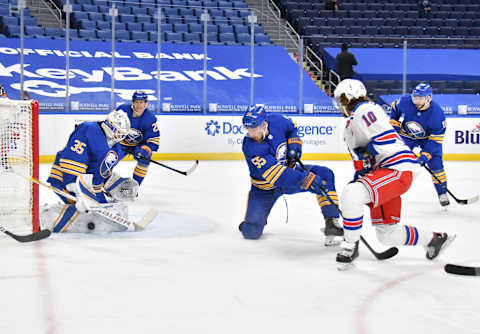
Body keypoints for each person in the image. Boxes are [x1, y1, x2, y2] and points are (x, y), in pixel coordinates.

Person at [333, 79, 455, 268]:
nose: (339, 106)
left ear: (346, 99)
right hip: (386, 173)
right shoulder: (358, 119)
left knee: (351, 194)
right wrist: (359, 177)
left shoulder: (364, 111)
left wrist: (370, 151)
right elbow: (363, 165)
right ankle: (434, 239)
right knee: (387, 235)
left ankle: (350, 245)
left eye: (340, 101)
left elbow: (379, 140)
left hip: (396, 168)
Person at [238, 105, 343, 246]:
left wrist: (294, 143)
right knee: (251, 233)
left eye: (255, 128)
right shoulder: (251, 146)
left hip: (290, 172)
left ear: (264, 123)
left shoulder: (277, 121)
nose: (252, 133)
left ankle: (331, 223)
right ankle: (251, 222)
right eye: (248, 129)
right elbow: (277, 176)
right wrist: (306, 179)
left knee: (325, 174)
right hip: (264, 190)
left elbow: (292, 127)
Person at [44, 109, 138, 232]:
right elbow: (73, 157)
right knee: (84, 210)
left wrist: (113, 185)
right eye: (118, 132)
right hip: (65, 180)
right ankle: (48, 219)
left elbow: (100, 172)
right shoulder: (88, 130)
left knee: (98, 210)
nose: (120, 137)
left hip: (88, 186)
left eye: (122, 134)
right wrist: (77, 191)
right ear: (109, 125)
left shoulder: (114, 144)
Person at [389, 83, 449, 207]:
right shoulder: (406, 101)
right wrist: (394, 123)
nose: (416, 101)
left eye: (420, 98)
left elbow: (435, 140)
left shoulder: (437, 114)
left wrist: (425, 155)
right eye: (415, 97)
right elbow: (394, 108)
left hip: (428, 140)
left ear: (428, 98)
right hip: (407, 137)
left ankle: (442, 193)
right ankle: (389, 189)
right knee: (395, 160)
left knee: (437, 166)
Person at [115, 91, 160, 187]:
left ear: (146, 103)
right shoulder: (122, 110)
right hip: (120, 144)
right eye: (136, 102)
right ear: (132, 102)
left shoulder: (150, 118)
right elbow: (110, 126)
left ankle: (133, 187)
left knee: (146, 155)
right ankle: (100, 182)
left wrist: (147, 148)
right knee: (109, 158)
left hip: (137, 146)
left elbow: (154, 140)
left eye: (142, 102)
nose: (139, 105)